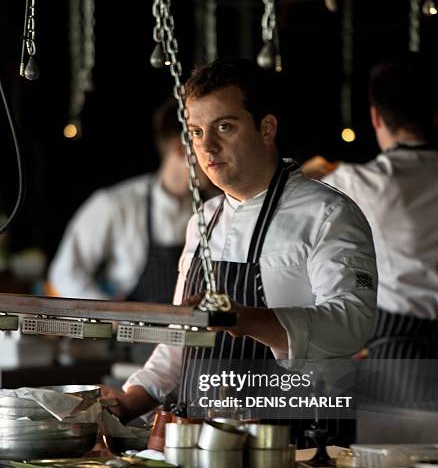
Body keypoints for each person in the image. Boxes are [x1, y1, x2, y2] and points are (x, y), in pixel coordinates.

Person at [105, 57, 377, 437]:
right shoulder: (204, 219)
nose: (207, 146)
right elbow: (178, 344)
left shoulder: (328, 213)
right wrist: (127, 402)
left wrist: (246, 319)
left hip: (293, 438)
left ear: (266, 128)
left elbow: (351, 324)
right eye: (196, 132)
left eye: (225, 127)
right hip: (200, 439)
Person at [302, 54, 438, 360]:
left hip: (397, 343)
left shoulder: (361, 182)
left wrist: (323, 166)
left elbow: (287, 191)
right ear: (435, 115)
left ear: (376, 118)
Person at [48, 98, 212, 304]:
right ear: (181, 149)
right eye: (203, 138)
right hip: (126, 333)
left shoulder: (212, 207)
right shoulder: (115, 204)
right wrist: (113, 316)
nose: (215, 150)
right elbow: (65, 274)